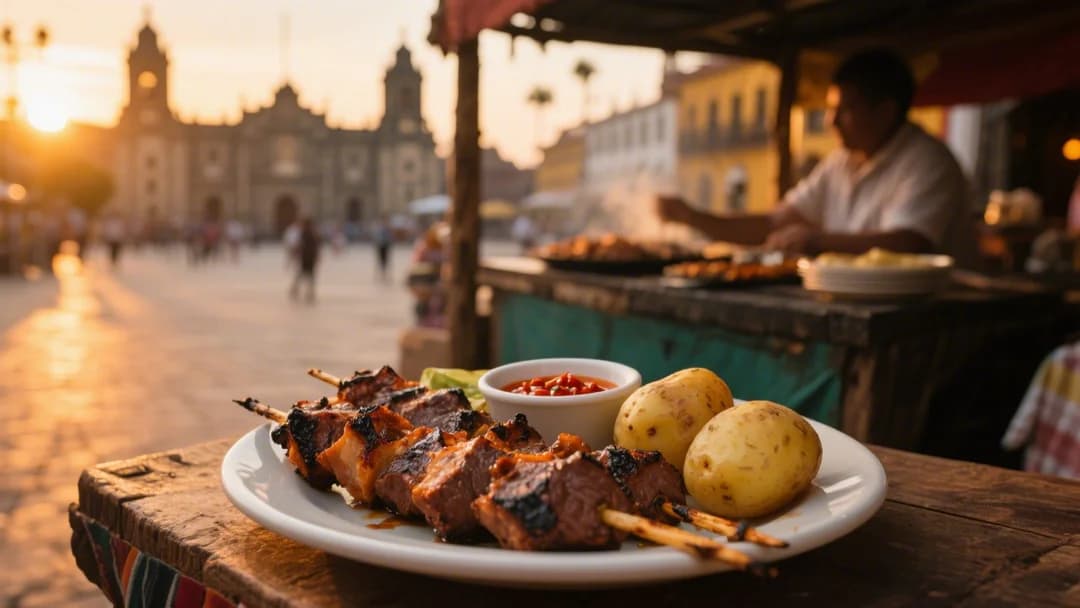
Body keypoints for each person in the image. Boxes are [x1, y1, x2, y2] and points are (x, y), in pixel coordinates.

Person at [657, 49, 976, 266]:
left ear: (886, 111)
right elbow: (773, 224)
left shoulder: (928, 161)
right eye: (830, 109)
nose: (830, 121)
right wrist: (693, 216)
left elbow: (910, 243)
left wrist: (817, 241)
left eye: (845, 110)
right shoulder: (840, 162)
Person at [289, 217, 321, 303]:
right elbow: (316, 246)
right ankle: (307, 291)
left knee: (305, 275)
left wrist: (294, 253)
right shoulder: (310, 233)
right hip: (308, 257)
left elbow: (301, 245)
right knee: (307, 275)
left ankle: (301, 290)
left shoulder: (307, 233)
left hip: (307, 258)